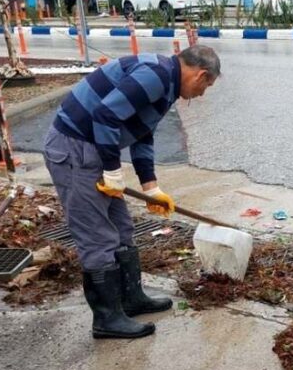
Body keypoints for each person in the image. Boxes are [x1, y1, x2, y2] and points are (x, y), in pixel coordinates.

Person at [43, 45, 220, 339]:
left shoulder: (167, 84)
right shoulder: (157, 75)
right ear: (201, 75)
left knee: (122, 227)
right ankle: (107, 319)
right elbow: (105, 116)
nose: (203, 94)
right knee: (97, 235)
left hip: (94, 149)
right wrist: (113, 170)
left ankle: (130, 299)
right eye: (207, 86)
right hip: (74, 149)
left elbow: (142, 132)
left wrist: (151, 186)